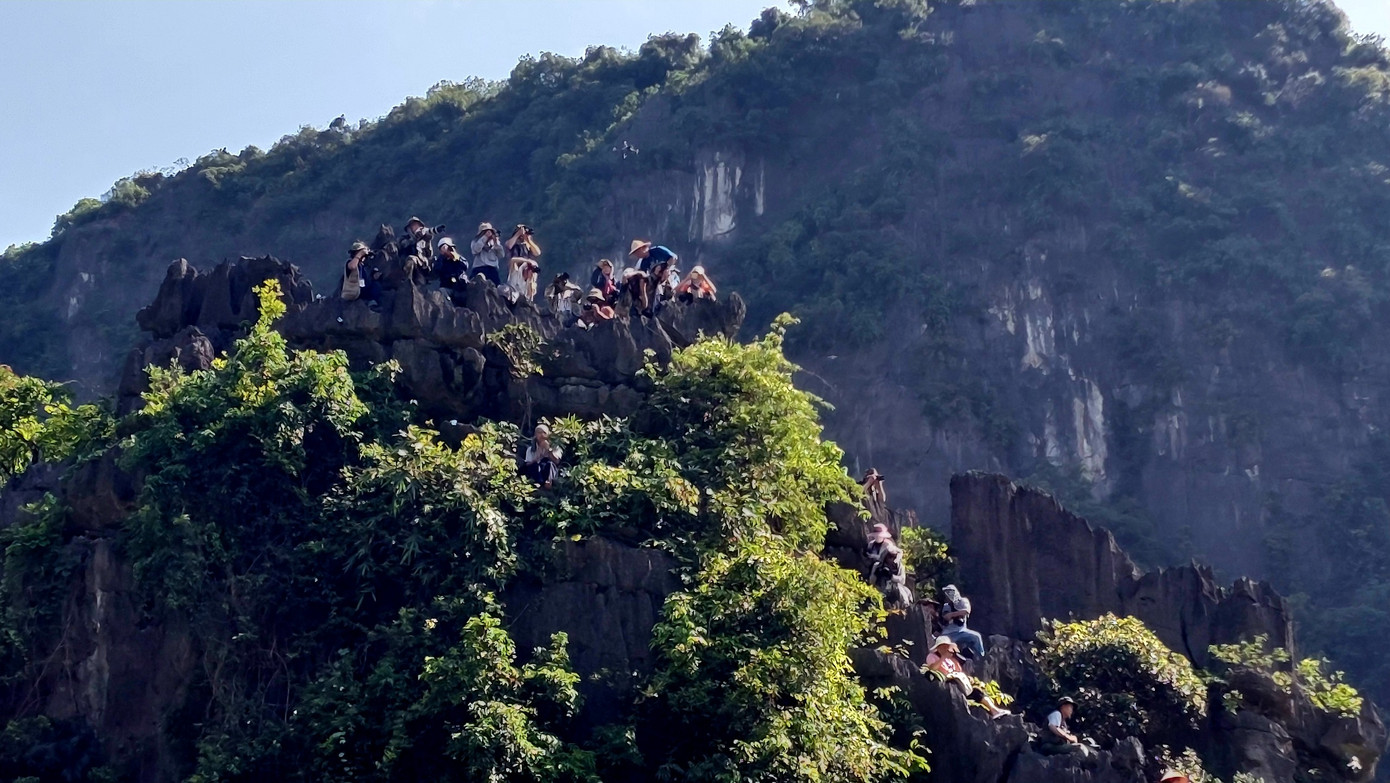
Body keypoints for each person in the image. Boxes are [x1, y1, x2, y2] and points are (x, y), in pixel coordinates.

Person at [926, 638, 1009, 719]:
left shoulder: (950, 658)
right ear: (938, 647)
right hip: (947, 684)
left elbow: (958, 670)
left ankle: (994, 710)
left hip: (959, 682)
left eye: (947, 646)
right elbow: (932, 668)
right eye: (943, 646)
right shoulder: (932, 656)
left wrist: (968, 678)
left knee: (977, 691)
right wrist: (943, 658)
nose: (946, 648)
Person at [940, 584, 987, 660]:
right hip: (949, 633)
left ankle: (981, 657)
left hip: (962, 631)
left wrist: (953, 614)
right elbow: (946, 616)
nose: (949, 595)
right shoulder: (947, 605)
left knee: (976, 637)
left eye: (951, 592)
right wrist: (956, 614)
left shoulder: (964, 601)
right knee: (942, 644)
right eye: (947, 593)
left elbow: (966, 611)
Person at [340, 240, 382, 309]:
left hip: (362, 290)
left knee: (376, 285)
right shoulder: (350, 262)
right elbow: (352, 266)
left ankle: (372, 303)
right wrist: (360, 254)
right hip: (353, 291)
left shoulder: (362, 266)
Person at [398, 216, 441, 283]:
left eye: (417, 225)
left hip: (422, 263)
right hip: (405, 263)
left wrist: (435, 230)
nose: (415, 227)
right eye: (413, 226)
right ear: (409, 229)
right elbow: (403, 244)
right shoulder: (404, 238)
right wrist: (413, 239)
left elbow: (429, 233)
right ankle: (405, 279)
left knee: (411, 259)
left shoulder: (425, 236)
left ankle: (408, 280)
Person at [524, 424, 562, 489]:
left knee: (550, 464)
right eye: (539, 432)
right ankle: (538, 482)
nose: (542, 435)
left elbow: (557, 461)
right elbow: (527, 464)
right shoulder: (531, 449)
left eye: (544, 433)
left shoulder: (555, 447)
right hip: (537, 472)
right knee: (534, 465)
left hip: (549, 472)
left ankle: (548, 482)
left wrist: (549, 449)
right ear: (535, 434)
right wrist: (537, 457)